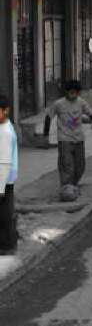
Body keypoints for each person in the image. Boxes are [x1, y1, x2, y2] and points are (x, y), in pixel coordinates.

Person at [44, 80, 92, 202]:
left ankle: (73, 185)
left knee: (80, 166)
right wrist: (46, 134)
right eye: (71, 92)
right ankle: (66, 189)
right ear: (66, 92)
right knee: (67, 166)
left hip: (79, 139)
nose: (73, 95)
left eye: (75, 92)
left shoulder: (81, 102)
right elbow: (48, 117)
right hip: (64, 140)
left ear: (78, 93)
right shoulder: (59, 104)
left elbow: (91, 113)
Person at [0, 94, 19, 252]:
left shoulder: (5, 132)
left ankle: (7, 244)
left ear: (6, 111)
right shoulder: (6, 125)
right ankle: (9, 241)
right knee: (7, 211)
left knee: (4, 213)